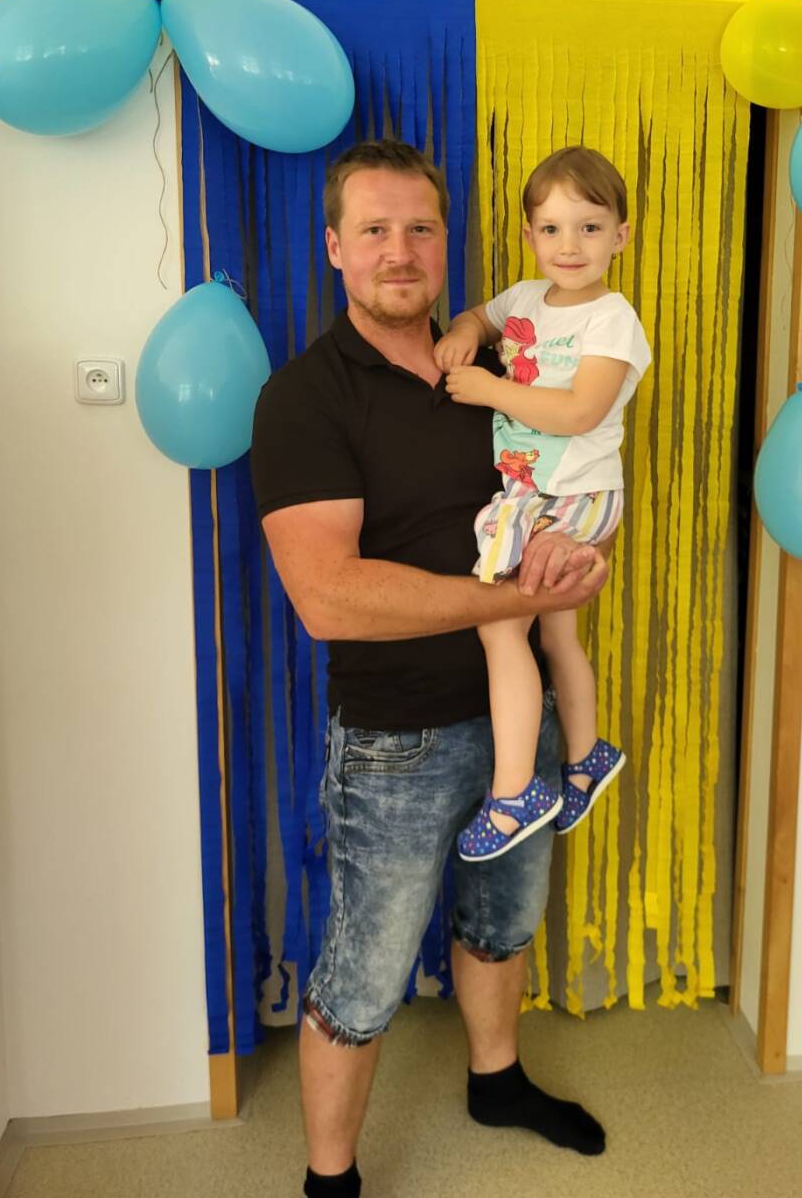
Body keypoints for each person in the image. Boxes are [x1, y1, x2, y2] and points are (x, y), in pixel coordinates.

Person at [250, 139, 611, 1198]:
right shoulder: (305, 397)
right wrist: (517, 601)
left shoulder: (498, 370)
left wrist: (577, 558)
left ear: (447, 242)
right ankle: (330, 1178)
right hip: (393, 745)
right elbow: (328, 596)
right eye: (374, 229)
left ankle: (496, 1081)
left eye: (420, 228)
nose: (399, 250)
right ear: (334, 247)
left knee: (502, 926)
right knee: (362, 977)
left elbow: (563, 486)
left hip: (519, 719)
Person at [435, 147, 651, 862]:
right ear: (529, 235)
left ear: (620, 236)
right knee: (555, 634)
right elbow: (479, 315)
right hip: (530, 492)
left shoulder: (612, 318)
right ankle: (586, 758)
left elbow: (582, 411)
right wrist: (465, 333)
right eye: (552, 229)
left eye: (590, 228)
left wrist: (490, 390)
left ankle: (515, 791)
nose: (570, 245)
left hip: (576, 494)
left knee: (500, 626)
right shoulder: (525, 300)